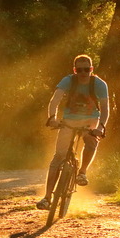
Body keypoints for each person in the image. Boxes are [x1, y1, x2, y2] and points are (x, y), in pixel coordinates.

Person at [37, 54, 110, 210]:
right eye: (79, 70)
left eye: (86, 70)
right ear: (74, 70)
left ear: (91, 69)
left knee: (90, 140)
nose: (83, 73)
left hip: (90, 119)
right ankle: (47, 198)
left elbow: (105, 109)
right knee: (58, 158)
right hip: (69, 120)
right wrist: (52, 117)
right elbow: (55, 99)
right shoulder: (68, 80)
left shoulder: (99, 84)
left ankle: (82, 172)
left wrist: (101, 127)